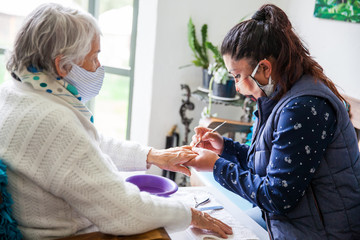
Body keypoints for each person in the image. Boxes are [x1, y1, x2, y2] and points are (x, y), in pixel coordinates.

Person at [0, 3, 232, 239]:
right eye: (94, 57)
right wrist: (191, 214)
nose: (99, 66)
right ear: (62, 66)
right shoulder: (52, 121)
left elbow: (83, 147)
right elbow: (124, 211)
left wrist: (151, 155)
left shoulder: (15, 93)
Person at [188, 4, 360, 240]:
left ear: (265, 68)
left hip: (324, 233)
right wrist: (224, 147)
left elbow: (277, 196)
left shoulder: (303, 108)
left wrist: (216, 166)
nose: (237, 87)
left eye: (238, 76)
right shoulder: (280, 95)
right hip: (294, 223)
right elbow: (270, 164)